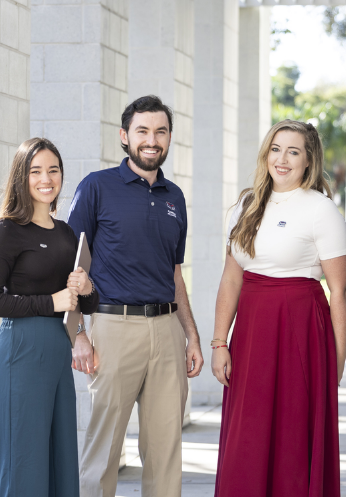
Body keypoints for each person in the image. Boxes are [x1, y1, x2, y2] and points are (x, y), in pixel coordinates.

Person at [68, 95, 204, 497]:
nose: (152, 139)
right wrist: (77, 333)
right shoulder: (96, 187)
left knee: (165, 452)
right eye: (143, 130)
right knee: (104, 450)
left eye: (161, 131)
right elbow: (73, 266)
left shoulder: (174, 197)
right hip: (113, 328)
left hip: (166, 332)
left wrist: (192, 336)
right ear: (125, 136)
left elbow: (174, 273)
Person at [211, 120, 346, 496]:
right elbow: (231, 279)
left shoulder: (321, 209)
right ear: (265, 154)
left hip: (300, 332)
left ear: (309, 161)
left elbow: (339, 290)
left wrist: (335, 362)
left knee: (293, 437)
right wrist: (219, 342)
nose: (283, 159)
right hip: (252, 333)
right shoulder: (243, 205)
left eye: (294, 151)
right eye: (276, 149)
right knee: (248, 433)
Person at [0, 138, 100, 497]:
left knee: (60, 463)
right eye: (36, 171)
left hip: (56, 357)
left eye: (53, 170)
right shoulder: (6, 231)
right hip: (20, 354)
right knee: (24, 466)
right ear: (21, 177)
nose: (46, 178)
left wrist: (87, 287)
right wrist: (51, 302)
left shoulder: (65, 233)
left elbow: (83, 306)